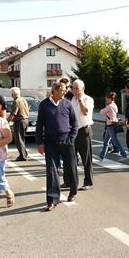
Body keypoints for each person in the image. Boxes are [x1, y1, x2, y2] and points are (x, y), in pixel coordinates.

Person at [36, 82, 78, 212]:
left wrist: (71, 138)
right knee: (52, 171)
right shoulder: (44, 105)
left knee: (71, 168)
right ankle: (52, 200)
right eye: (63, 90)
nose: (65, 92)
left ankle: (73, 190)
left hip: (66, 142)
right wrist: (39, 143)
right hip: (50, 143)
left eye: (65, 90)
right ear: (54, 91)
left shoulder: (67, 104)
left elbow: (74, 123)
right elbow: (39, 125)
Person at [68, 80, 94, 191]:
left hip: (84, 131)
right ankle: (69, 181)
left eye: (76, 88)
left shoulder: (88, 99)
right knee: (70, 158)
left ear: (83, 88)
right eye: (73, 88)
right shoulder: (72, 99)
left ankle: (88, 182)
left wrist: (80, 100)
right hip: (73, 132)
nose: (74, 90)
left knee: (86, 159)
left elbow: (85, 112)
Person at [99, 92, 127, 160]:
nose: (106, 100)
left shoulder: (109, 106)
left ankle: (124, 154)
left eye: (106, 98)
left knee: (115, 141)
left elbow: (101, 112)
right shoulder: (114, 105)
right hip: (112, 125)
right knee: (106, 142)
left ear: (109, 99)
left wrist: (106, 106)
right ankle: (102, 156)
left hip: (110, 126)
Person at [7, 87, 29, 161]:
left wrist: (6, 122)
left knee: (18, 139)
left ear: (13, 94)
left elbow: (13, 114)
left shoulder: (16, 101)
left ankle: (23, 156)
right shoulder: (23, 99)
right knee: (22, 139)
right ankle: (24, 154)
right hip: (25, 120)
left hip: (19, 121)